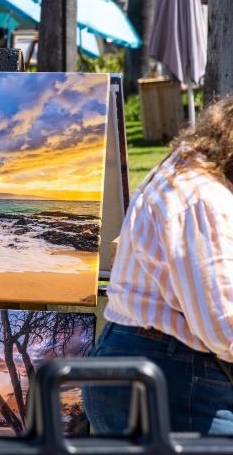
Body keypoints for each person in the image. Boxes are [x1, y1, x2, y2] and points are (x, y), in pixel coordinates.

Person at [83, 95, 233, 435]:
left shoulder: (186, 171)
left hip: (149, 361)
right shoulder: (202, 197)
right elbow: (224, 327)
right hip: (173, 372)